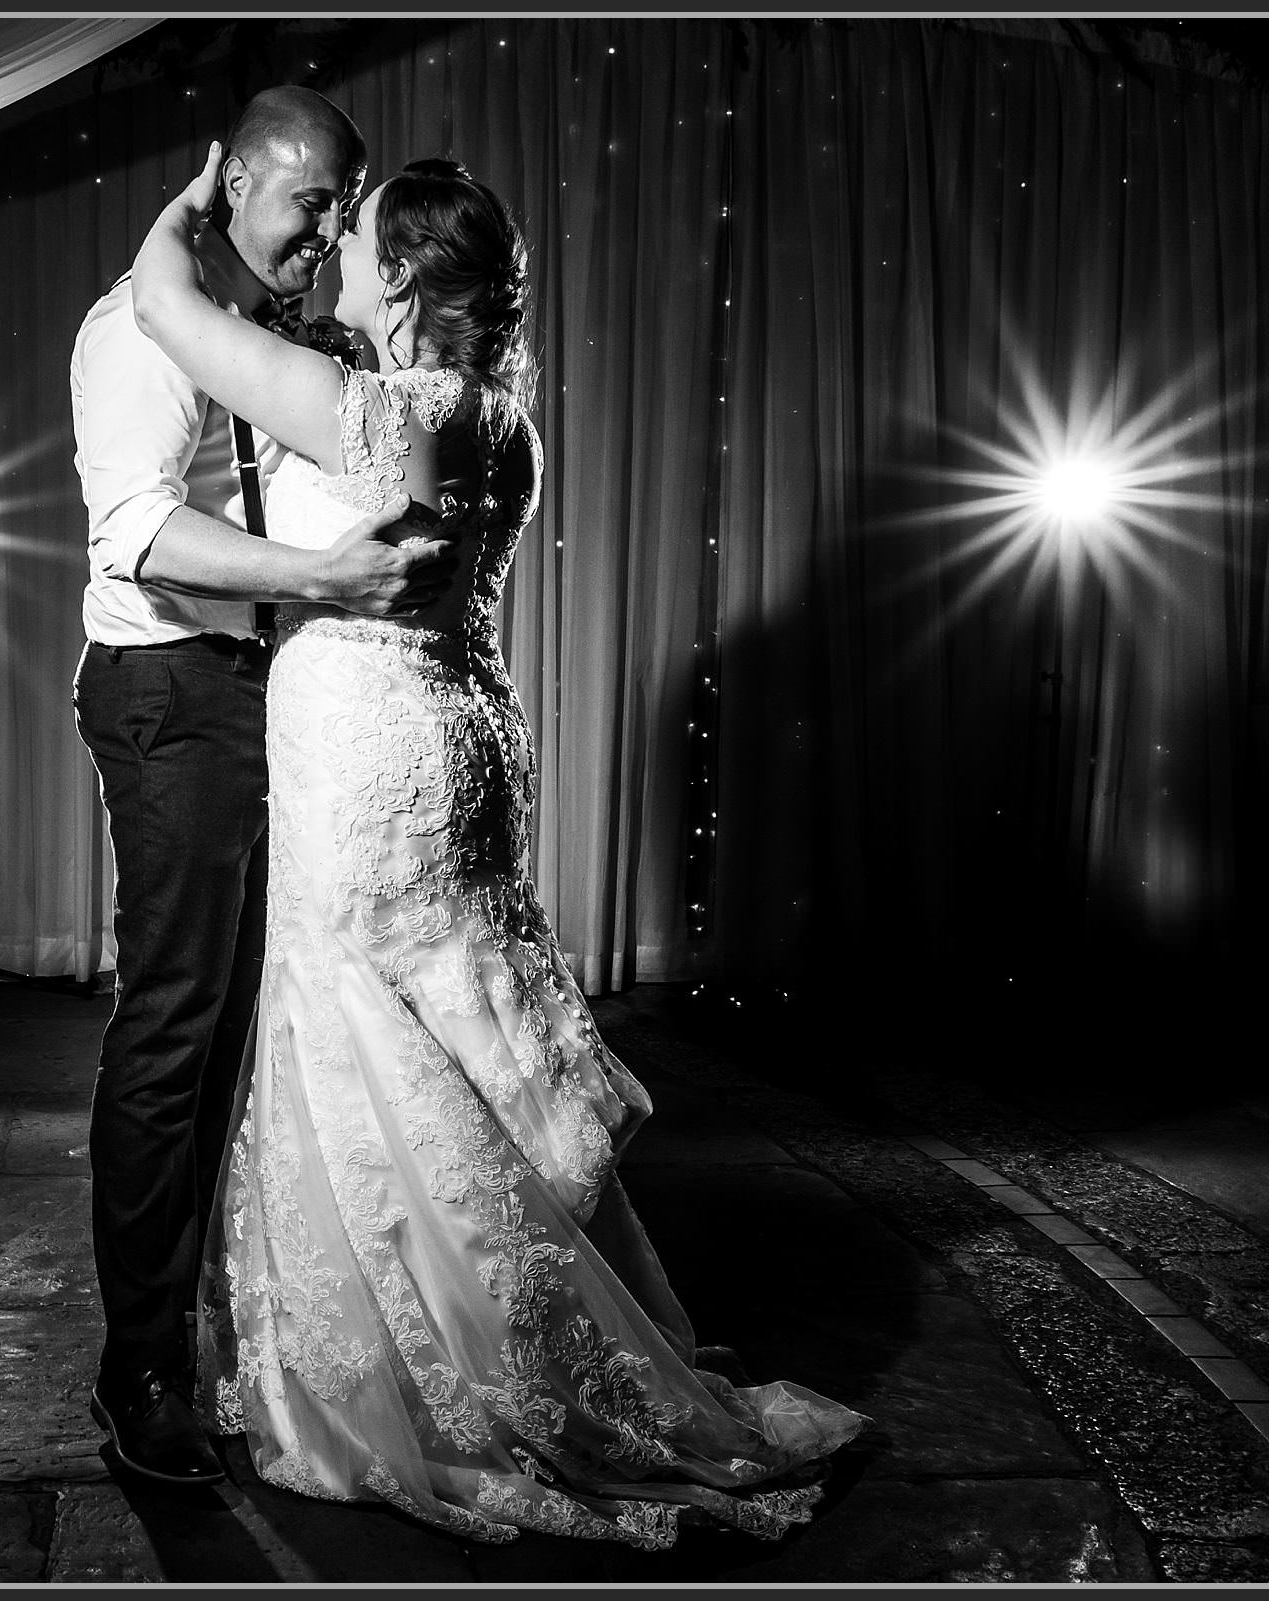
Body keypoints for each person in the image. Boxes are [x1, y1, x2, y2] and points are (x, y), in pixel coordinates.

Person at [129, 148, 868, 1547]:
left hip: (369, 756)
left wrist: (197, 207)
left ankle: (441, 1383)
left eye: (357, 238)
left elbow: (173, 310)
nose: (335, 247)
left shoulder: (377, 407)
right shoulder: (498, 417)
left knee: (366, 1034)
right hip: (460, 736)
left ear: (404, 273)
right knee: (453, 1029)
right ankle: (512, 1331)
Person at [70, 87, 457, 1488]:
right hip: (174, 693)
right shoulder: (133, 331)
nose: (327, 235)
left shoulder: (270, 339)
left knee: (251, 1026)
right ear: (233, 182)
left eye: (343, 211)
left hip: (278, 695)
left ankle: (234, 1324)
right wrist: (327, 577)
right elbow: (141, 537)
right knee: (174, 1030)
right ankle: (143, 1370)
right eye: (310, 204)